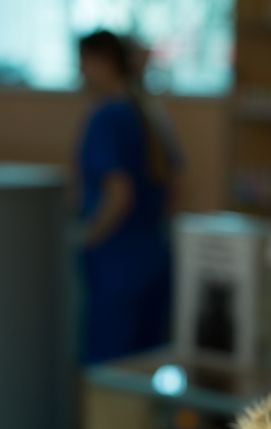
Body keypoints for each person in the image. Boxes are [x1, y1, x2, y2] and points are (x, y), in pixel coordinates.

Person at [76, 30, 181, 364]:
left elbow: (118, 194)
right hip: (153, 260)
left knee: (109, 377)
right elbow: (174, 183)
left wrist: (84, 238)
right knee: (144, 373)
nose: (80, 75)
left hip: (117, 266)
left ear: (102, 63)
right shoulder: (148, 113)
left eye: (83, 64)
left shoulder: (107, 118)